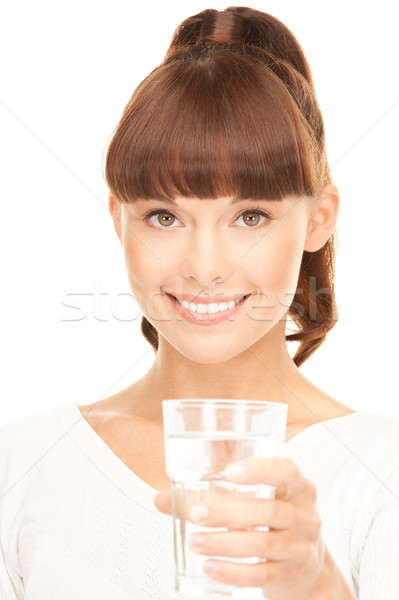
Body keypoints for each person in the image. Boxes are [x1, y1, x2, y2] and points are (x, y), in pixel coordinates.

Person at [0, 6, 398, 600]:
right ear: (118, 218)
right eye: (164, 217)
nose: (204, 267)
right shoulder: (23, 466)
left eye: (251, 216)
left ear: (319, 219)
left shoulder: (381, 475)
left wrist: (317, 587)